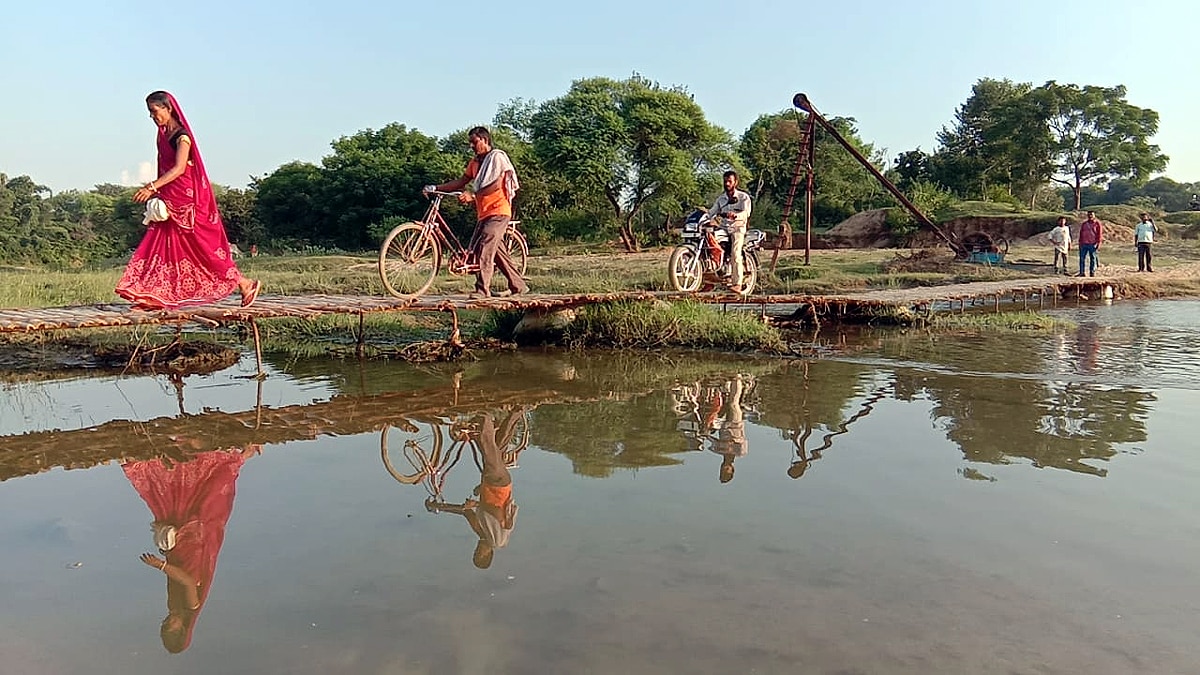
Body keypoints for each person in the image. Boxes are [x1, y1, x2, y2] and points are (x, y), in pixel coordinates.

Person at [116, 91, 261, 310]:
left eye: (155, 112)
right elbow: (164, 165)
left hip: (188, 202)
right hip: (170, 197)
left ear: (169, 108)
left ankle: (245, 283)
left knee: (204, 249)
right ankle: (153, 296)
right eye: (150, 113)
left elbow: (179, 168)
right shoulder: (162, 135)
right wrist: (159, 191)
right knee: (162, 243)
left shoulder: (181, 137)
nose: (153, 117)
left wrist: (151, 187)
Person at [124, 444, 261, 653]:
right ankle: (242, 456)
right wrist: (160, 565)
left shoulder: (172, 606)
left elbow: (174, 575)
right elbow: (187, 580)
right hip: (197, 544)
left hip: (181, 550)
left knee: (178, 502)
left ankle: (176, 455)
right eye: (173, 627)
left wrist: (166, 553)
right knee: (211, 495)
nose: (169, 622)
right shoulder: (191, 606)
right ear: (183, 628)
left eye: (166, 626)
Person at [424, 127, 527, 299]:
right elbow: (461, 181)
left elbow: (495, 184)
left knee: (485, 245)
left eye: (474, 142)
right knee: (496, 251)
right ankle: (519, 285)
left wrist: (473, 195)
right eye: (470, 143)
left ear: (484, 140)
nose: (471, 146)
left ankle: (482, 289)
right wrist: (435, 188)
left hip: (499, 211)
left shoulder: (497, 158)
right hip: (484, 213)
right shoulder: (475, 163)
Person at [434, 409, 522, 569]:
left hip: (490, 483)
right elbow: (497, 513)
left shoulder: (481, 532)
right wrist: (476, 504)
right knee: (487, 445)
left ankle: (517, 411)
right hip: (499, 484)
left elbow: (464, 511)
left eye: (475, 552)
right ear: (488, 554)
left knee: (497, 447)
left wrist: (439, 507)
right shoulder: (497, 540)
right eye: (479, 553)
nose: (477, 550)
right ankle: (486, 415)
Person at [707, 170, 752, 293]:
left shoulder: (743, 197)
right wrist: (704, 216)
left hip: (737, 228)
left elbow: (746, 213)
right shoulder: (721, 198)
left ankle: (737, 283)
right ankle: (709, 277)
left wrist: (736, 215)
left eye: (729, 181)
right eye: (725, 181)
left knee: (735, 253)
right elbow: (712, 211)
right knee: (708, 243)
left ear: (735, 182)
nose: (727, 183)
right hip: (723, 227)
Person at [709, 375, 749, 484]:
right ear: (732, 468)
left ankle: (732, 379)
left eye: (722, 470)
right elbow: (742, 441)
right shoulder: (740, 452)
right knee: (733, 403)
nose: (724, 467)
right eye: (726, 470)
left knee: (725, 401)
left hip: (724, 424)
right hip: (735, 424)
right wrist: (732, 443)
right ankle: (737, 379)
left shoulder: (718, 450)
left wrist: (706, 433)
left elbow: (712, 441)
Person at [1077, 211, 1102, 277]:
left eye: (1091, 215)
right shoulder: (1084, 224)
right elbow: (1081, 233)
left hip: (1093, 244)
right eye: (1089, 215)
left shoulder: (1097, 224)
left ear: (1094, 216)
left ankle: (1092, 272)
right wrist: (1080, 242)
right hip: (1084, 243)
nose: (1090, 216)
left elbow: (1099, 234)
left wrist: (1098, 243)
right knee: (1082, 258)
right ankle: (1082, 272)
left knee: (1093, 258)